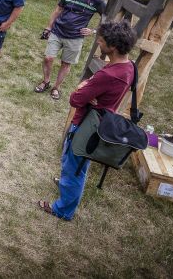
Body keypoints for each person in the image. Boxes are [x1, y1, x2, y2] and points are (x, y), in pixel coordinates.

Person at [38, 20, 137, 221]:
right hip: (101, 119)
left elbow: (75, 99)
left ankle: (63, 210)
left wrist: (84, 85)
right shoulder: (129, 66)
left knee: (75, 167)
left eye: (101, 41)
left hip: (86, 124)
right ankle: (66, 182)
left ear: (114, 47)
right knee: (72, 162)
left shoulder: (107, 75)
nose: (98, 43)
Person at [34, 0, 107, 100]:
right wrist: (48, 27)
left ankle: (56, 87)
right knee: (48, 58)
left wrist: (93, 31)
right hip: (57, 31)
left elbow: (106, 19)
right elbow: (58, 10)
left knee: (66, 63)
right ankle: (46, 81)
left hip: (75, 37)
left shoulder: (98, 1)